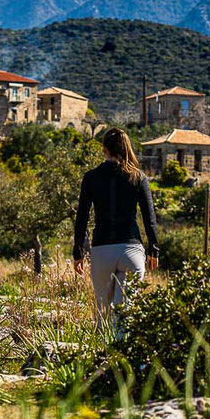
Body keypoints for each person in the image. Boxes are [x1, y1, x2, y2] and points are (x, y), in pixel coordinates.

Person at [73, 127, 160, 325]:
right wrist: (153, 249)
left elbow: (82, 218)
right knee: (124, 315)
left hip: (102, 250)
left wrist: (77, 252)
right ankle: (122, 353)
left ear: (104, 149)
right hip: (132, 250)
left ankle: (104, 354)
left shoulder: (91, 178)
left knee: (103, 314)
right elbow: (149, 217)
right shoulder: (138, 178)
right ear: (126, 148)